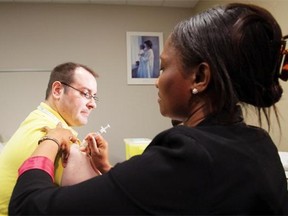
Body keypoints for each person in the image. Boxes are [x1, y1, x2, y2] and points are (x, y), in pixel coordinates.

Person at [9, 3, 288, 215]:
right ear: (58, 90)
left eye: (164, 67)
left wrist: (52, 139)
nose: (157, 80)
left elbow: (27, 207)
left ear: (200, 78)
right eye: (85, 93)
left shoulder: (189, 155)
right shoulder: (258, 142)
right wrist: (109, 170)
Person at [0, 62, 99, 216]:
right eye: (85, 93)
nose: (93, 104)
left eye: (94, 97)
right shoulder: (59, 140)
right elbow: (100, 200)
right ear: (58, 90)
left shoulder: (36, 119)